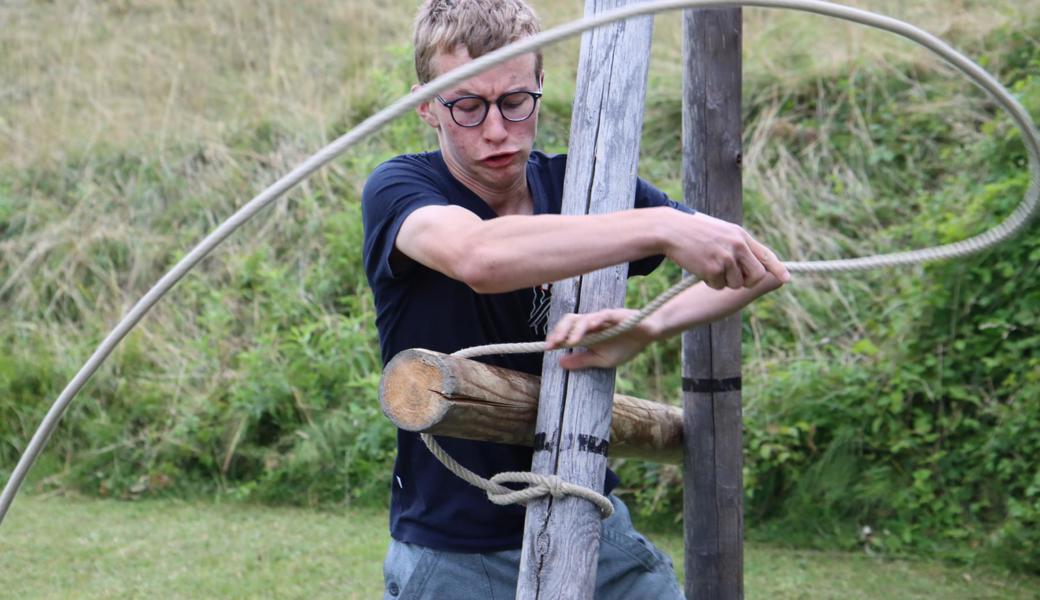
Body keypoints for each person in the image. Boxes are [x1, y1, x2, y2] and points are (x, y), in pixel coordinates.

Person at [361, 1, 789, 597]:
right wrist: (661, 227)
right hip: (454, 552)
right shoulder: (400, 187)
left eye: (515, 101)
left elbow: (762, 270)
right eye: (467, 105)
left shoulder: (585, 186)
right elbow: (479, 258)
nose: (495, 129)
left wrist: (647, 328)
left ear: (540, 86)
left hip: (590, 514)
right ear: (427, 104)